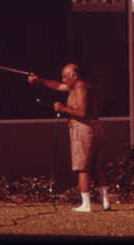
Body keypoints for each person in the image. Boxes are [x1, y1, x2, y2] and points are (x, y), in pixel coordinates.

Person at [28, 63, 110, 212]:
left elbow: (82, 112)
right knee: (97, 167)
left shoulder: (79, 87)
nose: (63, 79)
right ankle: (105, 202)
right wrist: (39, 80)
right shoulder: (80, 85)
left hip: (83, 129)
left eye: (66, 76)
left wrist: (62, 108)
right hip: (94, 128)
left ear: (75, 76)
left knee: (82, 167)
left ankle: (86, 205)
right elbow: (58, 86)